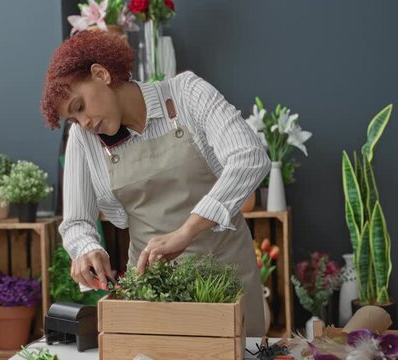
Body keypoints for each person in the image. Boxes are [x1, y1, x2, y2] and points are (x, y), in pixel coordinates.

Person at [41, 30, 269, 336]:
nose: (83, 123)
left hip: (225, 278)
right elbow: (77, 222)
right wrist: (87, 248)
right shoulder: (85, 140)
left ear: (101, 73)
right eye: (73, 119)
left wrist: (186, 231)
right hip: (153, 288)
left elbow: (250, 157)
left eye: (80, 107)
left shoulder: (187, 95)